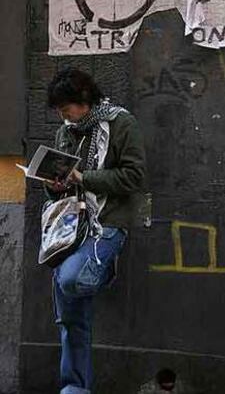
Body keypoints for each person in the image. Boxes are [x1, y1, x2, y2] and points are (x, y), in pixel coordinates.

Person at [45, 68, 147, 394]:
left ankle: (102, 269)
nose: (64, 116)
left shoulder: (121, 124)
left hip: (108, 225)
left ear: (85, 100)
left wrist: (84, 178)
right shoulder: (66, 132)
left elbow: (134, 177)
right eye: (59, 111)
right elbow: (62, 185)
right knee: (71, 318)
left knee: (70, 280)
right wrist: (54, 185)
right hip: (71, 227)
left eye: (67, 108)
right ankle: (75, 387)